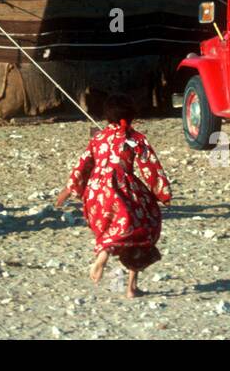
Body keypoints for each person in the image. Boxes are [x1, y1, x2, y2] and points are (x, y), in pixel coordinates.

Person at [54, 96, 172, 298]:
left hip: (96, 193)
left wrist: (69, 188)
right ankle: (118, 272)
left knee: (114, 229)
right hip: (122, 189)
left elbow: (84, 164)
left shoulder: (98, 138)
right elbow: (149, 166)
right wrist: (162, 192)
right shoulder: (136, 138)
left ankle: (115, 265)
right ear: (132, 115)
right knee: (142, 229)